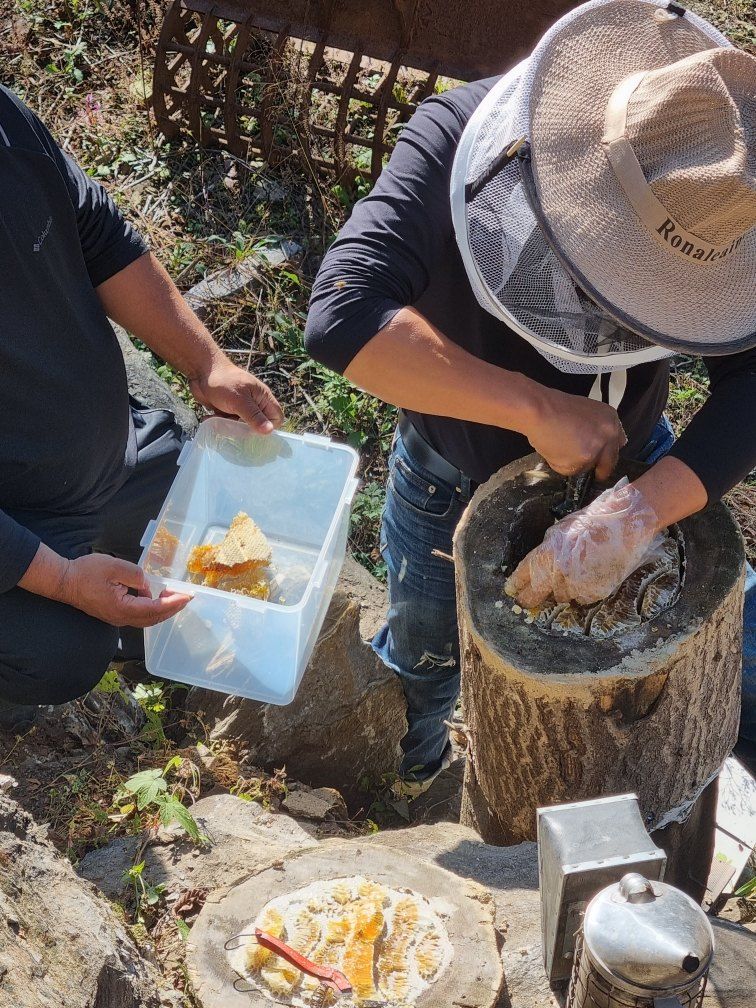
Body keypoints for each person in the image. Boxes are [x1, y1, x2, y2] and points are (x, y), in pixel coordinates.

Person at [305, 0, 756, 793]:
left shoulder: (722, 196)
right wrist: (536, 408)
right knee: (423, 659)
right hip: (453, 477)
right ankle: (405, 788)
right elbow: (344, 315)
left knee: (729, 648)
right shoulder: (452, 136)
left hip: (637, 457)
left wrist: (639, 510)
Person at [0, 86, 283, 728]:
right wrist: (62, 581)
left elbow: (94, 230)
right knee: (63, 656)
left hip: (108, 450)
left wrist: (206, 364)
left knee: (218, 507)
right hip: (17, 514)